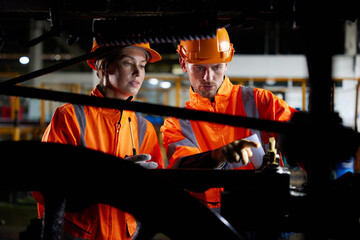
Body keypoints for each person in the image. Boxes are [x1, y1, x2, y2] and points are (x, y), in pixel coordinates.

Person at [32, 40, 164, 240]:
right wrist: (108, 179)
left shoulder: (144, 129)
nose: (138, 73)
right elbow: (44, 187)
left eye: (142, 66)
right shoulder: (71, 117)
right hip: (78, 236)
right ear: (104, 65)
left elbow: (158, 196)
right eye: (128, 63)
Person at [160, 28, 296, 213]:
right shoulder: (175, 125)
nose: (208, 77)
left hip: (263, 217)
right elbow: (186, 175)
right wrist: (219, 156)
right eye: (199, 68)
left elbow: (302, 139)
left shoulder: (261, 102)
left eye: (216, 67)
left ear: (226, 64)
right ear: (183, 64)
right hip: (210, 224)